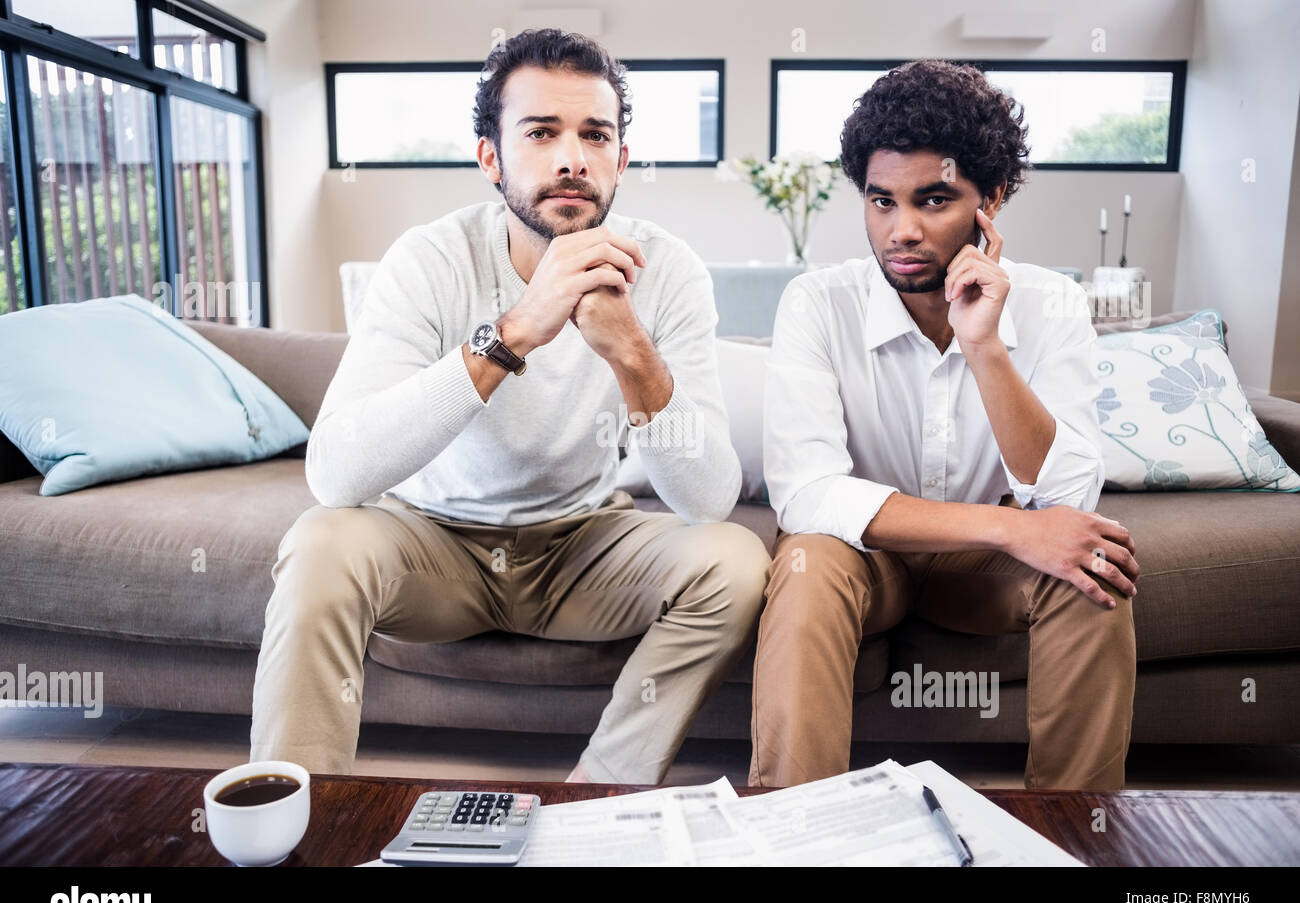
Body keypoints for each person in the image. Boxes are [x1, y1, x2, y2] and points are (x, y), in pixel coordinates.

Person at [250, 28, 769, 785]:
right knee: (320, 541)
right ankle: (298, 815)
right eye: (540, 133)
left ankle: (598, 795)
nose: (572, 158)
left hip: (582, 545)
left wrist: (631, 352)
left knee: (733, 561)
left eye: (596, 135)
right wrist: (517, 330)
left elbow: (709, 498)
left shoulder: (668, 268)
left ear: (621, 161)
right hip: (432, 546)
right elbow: (336, 474)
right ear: (490, 157)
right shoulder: (429, 259)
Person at [750, 59, 1138, 791]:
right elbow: (806, 494)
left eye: (933, 200)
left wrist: (985, 345)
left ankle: (1074, 833)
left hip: (982, 574)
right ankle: (792, 831)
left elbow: (1067, 494)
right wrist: (1011, 528)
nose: (902, 231)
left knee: (1094, 570)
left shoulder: (1051, 305)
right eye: (881, 202)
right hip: (868, 556)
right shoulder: (816, 303)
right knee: (804, 562)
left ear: (990, 200)